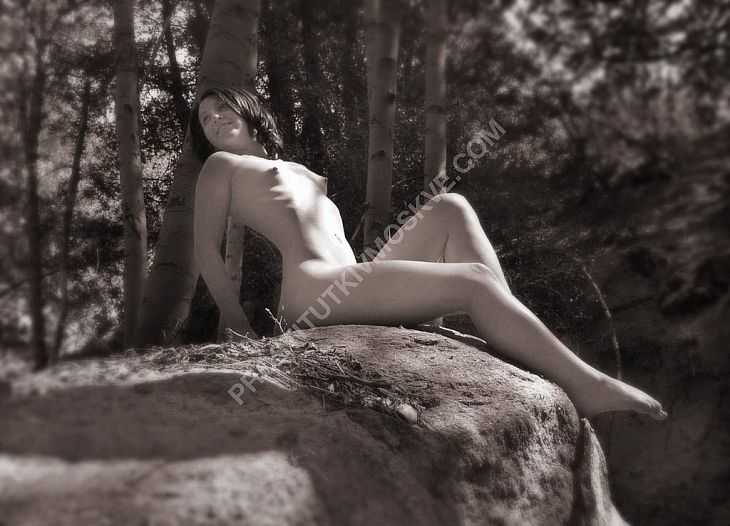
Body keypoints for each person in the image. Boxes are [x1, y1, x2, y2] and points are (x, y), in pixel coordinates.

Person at [190, 86, 668, 421]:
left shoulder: (300, 171)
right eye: (205, 120)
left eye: (220, 108)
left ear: (247, 109)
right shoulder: (222, 166)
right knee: (473, 279)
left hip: (351, 278)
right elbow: (205, 248)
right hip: (314, 292)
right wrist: (236, 322)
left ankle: (507, 328)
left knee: (449, 207)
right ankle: (585, 386)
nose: (214, 121)